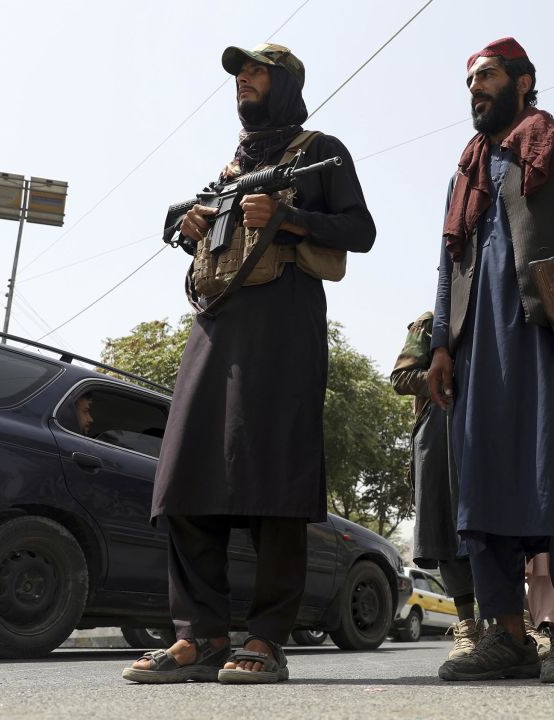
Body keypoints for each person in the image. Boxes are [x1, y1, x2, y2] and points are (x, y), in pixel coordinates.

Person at [123, 42, 375, 685]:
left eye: (257, 72)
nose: (244, 82)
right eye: (239, 75)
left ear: (287, 81)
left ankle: (265, 639)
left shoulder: (324, 149)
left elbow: (361, 231)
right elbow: (186, 227)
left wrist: (287, 216)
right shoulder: (233, 163)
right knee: (185, 476)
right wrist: (194, 224)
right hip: (216, 324)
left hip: (284, 325)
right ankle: (199, 636)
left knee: (276, 480)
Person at [429, 37, 554, 684]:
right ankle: (506, 636)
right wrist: (440, 345)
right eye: (470, 81)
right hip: (477, 352)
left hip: (544, 337)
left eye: (487, 77)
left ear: (524, 82)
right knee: (478, 489)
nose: (476, 89)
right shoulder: (467, 171)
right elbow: (450, 266)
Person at [390, 311, 480, 659]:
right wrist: (445, 376)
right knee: (447, 529)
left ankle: (510, 623)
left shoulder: (494, 319)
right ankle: (467, 627)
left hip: (486, 427)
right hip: (440, 431)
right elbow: (400, 377)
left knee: (500, 528)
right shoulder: (431, 324)